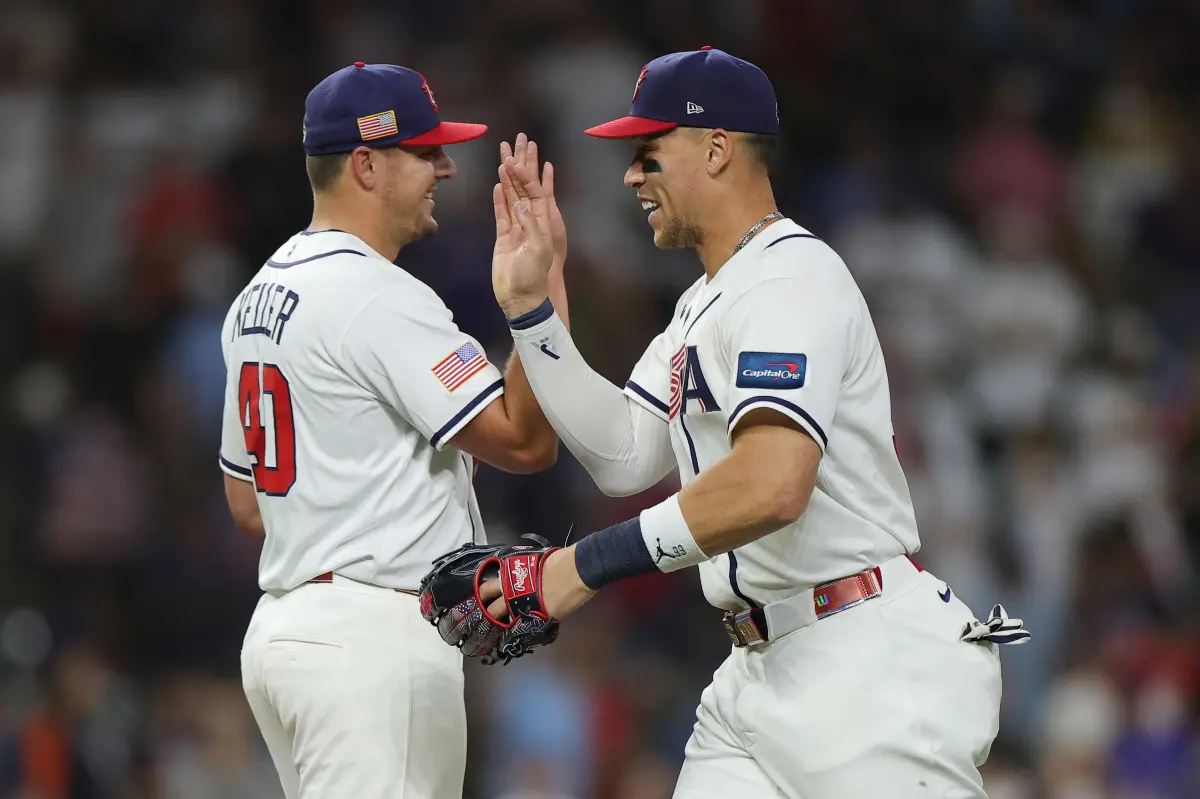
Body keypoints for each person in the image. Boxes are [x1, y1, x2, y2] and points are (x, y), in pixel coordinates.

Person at [484, 47, 1028, 797]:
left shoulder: (790, 275)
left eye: (648, 152)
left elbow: (773, 484)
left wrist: (579, 567)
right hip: (757, 671)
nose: (630, 175)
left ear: (716, 148)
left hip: (865, 663)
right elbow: (623, 456)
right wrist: (531, 310)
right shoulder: (701, 304)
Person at [219, 61, 566, 798]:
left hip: (285, 634)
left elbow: (249, 504)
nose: (444, 166)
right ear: (367, 164)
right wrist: (535, 297)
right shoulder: (377, 296)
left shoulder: (257, 294)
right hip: (368, 639)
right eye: (424, 150)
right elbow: (527, 442)